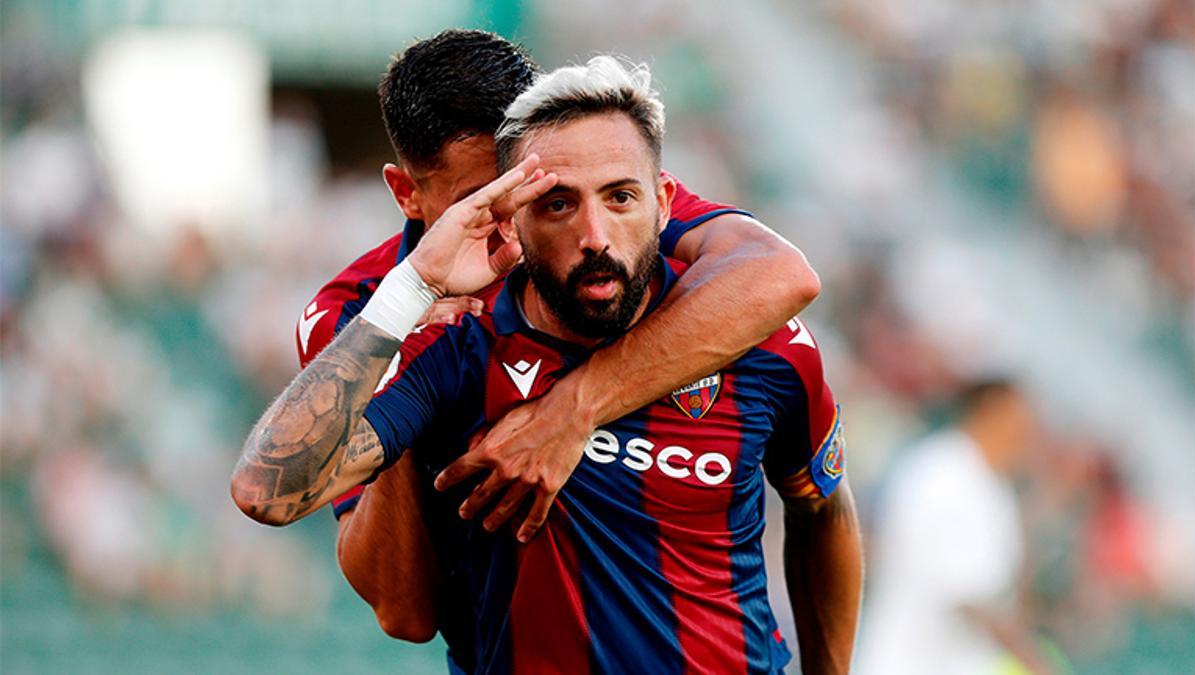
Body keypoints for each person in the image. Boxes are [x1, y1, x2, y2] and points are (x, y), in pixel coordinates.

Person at [234, 55, 862, 674]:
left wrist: (572, 412)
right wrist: (411, 298)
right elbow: (395, 603)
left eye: (617, 196)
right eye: (495, 202)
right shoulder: (428, 337)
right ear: (410, 195)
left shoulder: (743, 327)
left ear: (664, 201)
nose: (592, 230)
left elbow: (823, 505)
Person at [856, 378, 1057, 675]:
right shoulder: (940, 472)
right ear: (989, 410)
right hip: (899, 662)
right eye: (1020, 420)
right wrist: (1035, 662)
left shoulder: (998, 493)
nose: (1027, 434)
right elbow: (967, 596)